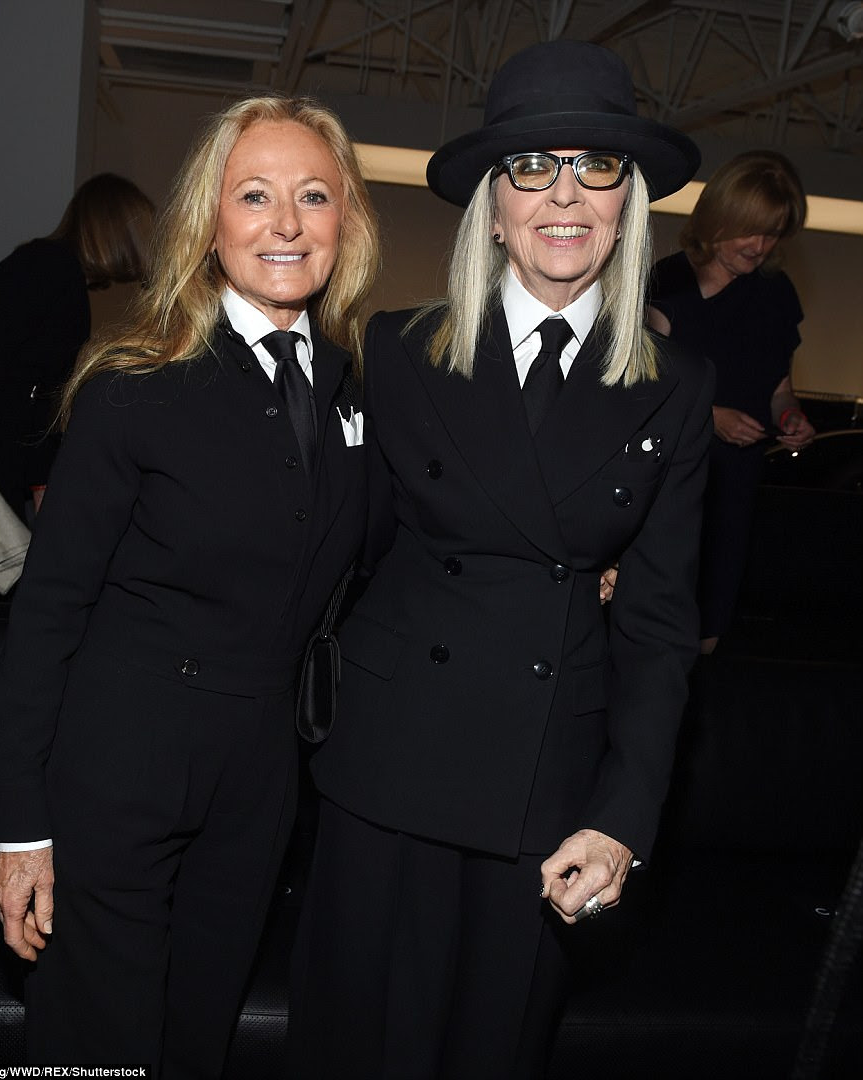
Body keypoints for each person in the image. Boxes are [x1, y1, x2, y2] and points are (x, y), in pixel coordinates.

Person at [288, 40, 713, 1079]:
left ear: (627, 204)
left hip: (547, 797)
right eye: (532, 167)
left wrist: (621, 817)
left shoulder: (674, 385)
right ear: (491, 201)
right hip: (386, 768)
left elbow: (659, 631)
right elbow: (337, 560)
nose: (562, 195)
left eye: (594, 167)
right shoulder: (396, 350)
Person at [0, 96, 379, 1074]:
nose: (285, 223)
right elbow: (47, 612)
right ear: (210, 223)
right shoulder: (132, 385)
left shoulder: (358, 393)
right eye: (254, 195)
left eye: (312, 196)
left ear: (344, 225)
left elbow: (401, 547)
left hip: (258, 787)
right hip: (118, 769)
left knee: (195, 1040)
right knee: (96, 1045)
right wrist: (21, 830)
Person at [0, 174, 154, 527]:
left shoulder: (63, 275)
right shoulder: (42, 266)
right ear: (114, 230)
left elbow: (41, 395)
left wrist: (40, 479)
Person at [648, 150, 814, 654]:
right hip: (670, 482)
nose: (761, 246)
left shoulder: (775, 293)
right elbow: (642, 390)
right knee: (658, 626)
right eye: (752, 231)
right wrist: (709, 417)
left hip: (734, 485)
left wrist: (790, 415)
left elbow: (778, 387)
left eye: (774, 234)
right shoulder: (668, 283)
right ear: (720, 219)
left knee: (711, 630)